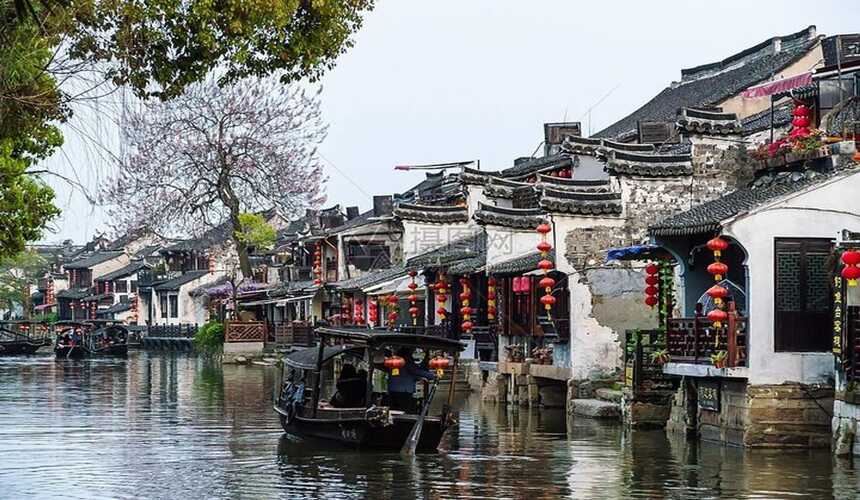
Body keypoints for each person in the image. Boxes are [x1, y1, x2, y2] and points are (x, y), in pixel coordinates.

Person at [387, 347, 436, 413]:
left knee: (394, 411)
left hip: (392, 390)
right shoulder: (406, 360)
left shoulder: (394, 361)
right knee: (404, 412)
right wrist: (432, 376)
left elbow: (405, 374)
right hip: (404, 391)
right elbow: (415, 371)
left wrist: (419, 377)